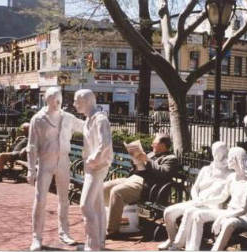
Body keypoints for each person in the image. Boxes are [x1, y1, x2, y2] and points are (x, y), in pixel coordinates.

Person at [27, 87, 84, 251]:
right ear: (47, 100)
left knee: (64, 199)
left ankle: (64, 232)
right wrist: (31, 169)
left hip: (63, 161)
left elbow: (86, 127)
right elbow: (31, 146)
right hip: (46, 161)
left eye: (59, 99)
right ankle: (36, 237)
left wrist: (99, 120)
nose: (57, 102)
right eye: (54, 99)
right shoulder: (38, 119)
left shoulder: (67, 117)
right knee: (40, 200)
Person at [179, 147, 247, 251]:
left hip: (244, 218)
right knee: (198, 215)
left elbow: (243, 210)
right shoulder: (232, 178)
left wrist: (221, 217)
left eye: (230, 158)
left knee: (228, 223)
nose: (227, 160)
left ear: (237, 160)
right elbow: (222, 197)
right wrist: (203, 201)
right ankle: (192, 249)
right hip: (229, 212)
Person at [158, 141, 231, 250]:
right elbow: (195, 188)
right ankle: (171, 239)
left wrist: (202, 202)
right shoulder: (206, 170)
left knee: (189, 212)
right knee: (168, 212)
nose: (217, 154)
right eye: (215, 151)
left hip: (211, 206)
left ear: (225, 152)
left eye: (220, 151)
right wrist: (196, 198)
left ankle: (177, 245)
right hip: (197, 201)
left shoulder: (229, 173)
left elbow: (223, 196)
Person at [103, 133, 179, 238]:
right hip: (132, 178)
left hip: (146, 184)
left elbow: (164, 173)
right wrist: (135, 159)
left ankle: (112, 231)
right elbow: (139, 166)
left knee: (117, 192)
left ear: (162, 145)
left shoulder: (171, 158)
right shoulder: (151, 154)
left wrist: (147, 160)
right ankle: (109, 219)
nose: (152, 145)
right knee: (104, 187)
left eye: (154, 143)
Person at [73, 89, 113, 251]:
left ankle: (92, 244)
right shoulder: (89, 119)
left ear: (87, 101)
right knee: (97, 205)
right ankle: (99, 242)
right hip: (91, 166)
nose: (75, 104)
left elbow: (105, 143)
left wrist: (94, 158)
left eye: (77, 101)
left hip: (97, 166)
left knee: (85, 205)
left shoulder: (100, 119)